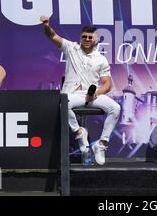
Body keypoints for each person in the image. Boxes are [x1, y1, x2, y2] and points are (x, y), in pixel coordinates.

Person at [40, 16, 120, 165]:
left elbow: (107, 84)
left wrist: (95, 94)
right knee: (64, 104)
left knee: (115, 108)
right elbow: (52, 35)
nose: (87, 39)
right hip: (72, 93)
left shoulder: (101, 59)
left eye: (90, 37)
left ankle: (101, 144)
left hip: (92, 95)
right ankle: (79, 132)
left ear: (96, 40)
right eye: (84, 37)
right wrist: (46, 25)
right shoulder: (71, 48)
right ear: (80, 38)